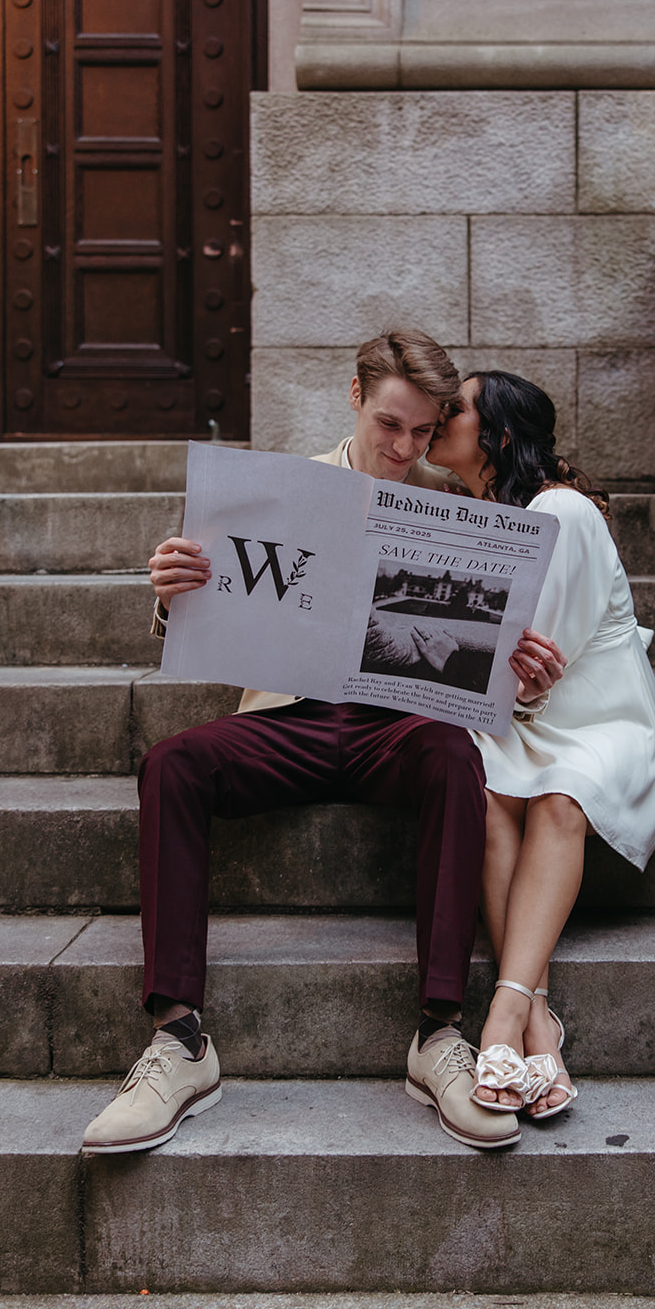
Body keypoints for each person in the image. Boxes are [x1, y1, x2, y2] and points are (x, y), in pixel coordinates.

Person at [81, 330, 532, 1156]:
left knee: (453, 755)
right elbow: (215, 609)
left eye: (424, 433)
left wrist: (523, 665)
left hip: (397, 728)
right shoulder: (272, 495)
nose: (405, 448)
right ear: (356, 398)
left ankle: (438, 1034)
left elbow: (487, 653)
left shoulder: (457, 513)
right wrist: (174, 589)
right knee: (172, 762)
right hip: (287, 719)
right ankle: (179, 1041)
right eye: (391, 425)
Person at [425, 370, 655, 1120]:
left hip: (600, 728)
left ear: (499, 434)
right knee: (487, 788)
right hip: (515, 724)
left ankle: (504, 1019)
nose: (438, 419)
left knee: (561, 795)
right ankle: (540, 1022)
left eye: (455, 409)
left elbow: (536, 664)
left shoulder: (559, 510)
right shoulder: (469, 516)